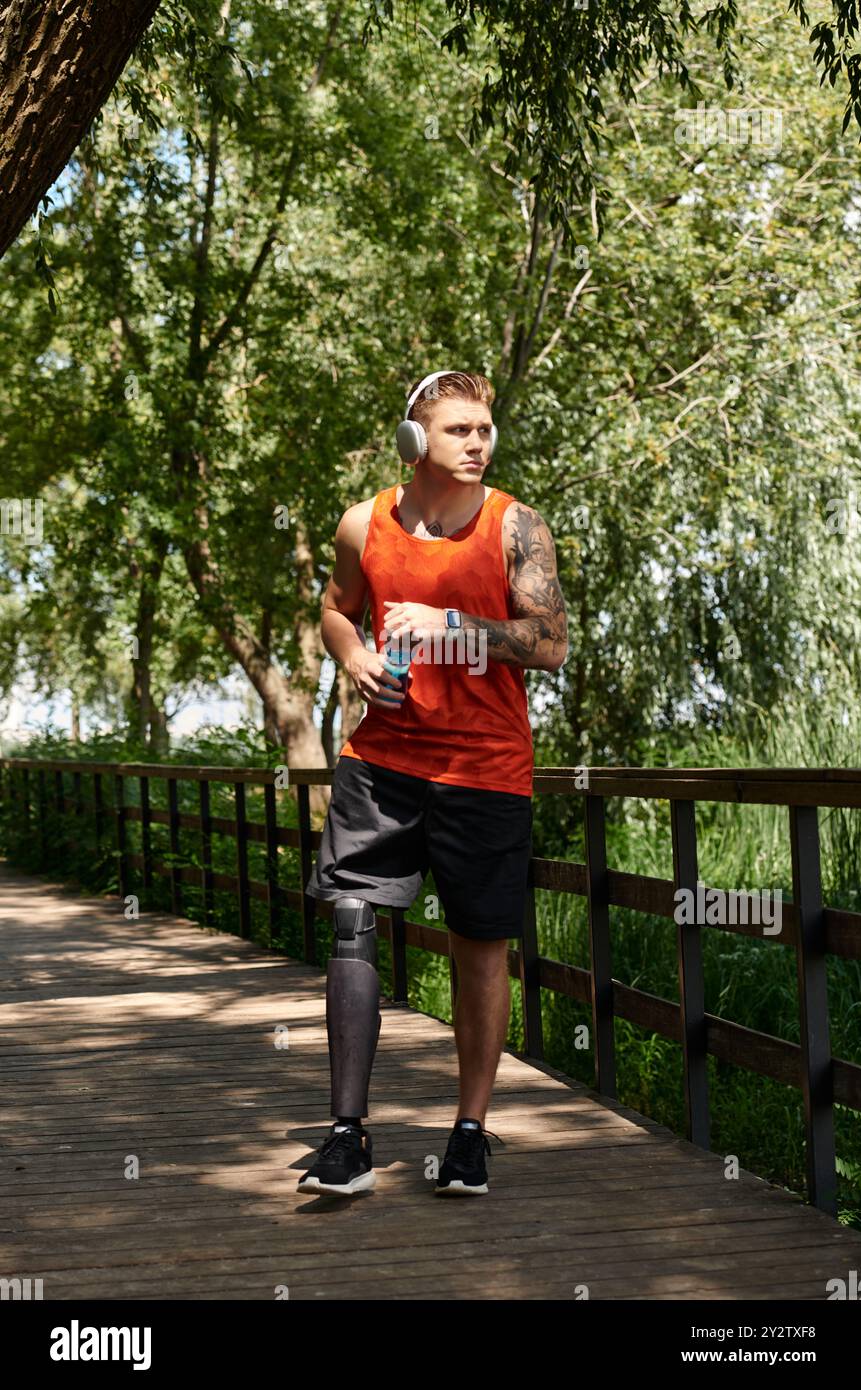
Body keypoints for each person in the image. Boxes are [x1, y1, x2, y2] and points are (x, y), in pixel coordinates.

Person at [297, 370, 568, 1197]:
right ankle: (347, 1135)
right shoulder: (364, 524)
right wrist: (353, 655)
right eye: (459, 430)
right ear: (417, 440)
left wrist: (457, 626)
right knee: (350, 919)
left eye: (485, 428)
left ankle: (470, 1133)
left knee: (480, 947)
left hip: (486, 769)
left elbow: (550, 642)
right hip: (381, 763)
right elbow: (336, 608)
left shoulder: (516, 526)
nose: (478, 443)